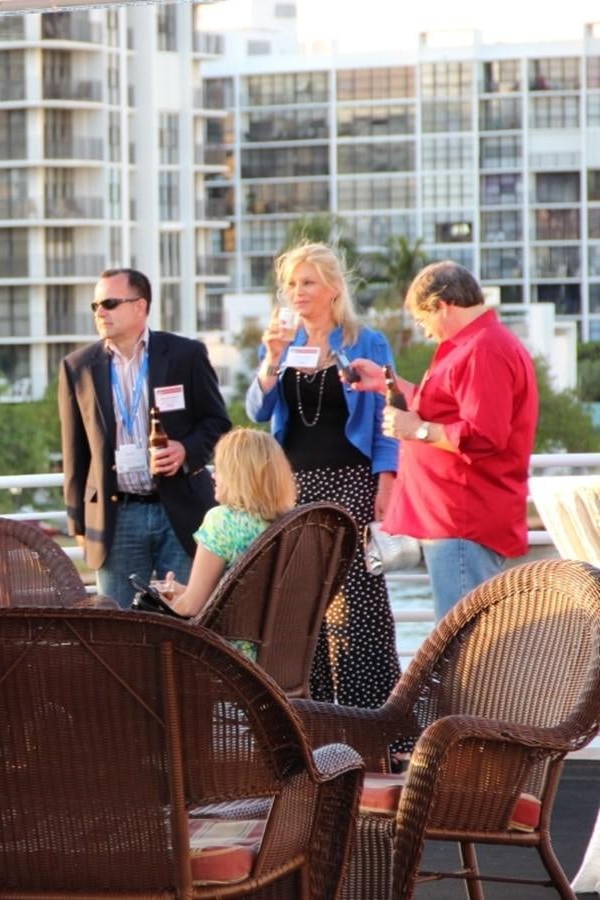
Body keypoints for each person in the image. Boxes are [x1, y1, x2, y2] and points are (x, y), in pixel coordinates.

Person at [245, 242, 401, 708]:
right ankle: (310, 712)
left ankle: (370, 717)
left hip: (350, 481)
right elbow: (258, 411)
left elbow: (386, 414)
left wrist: (387, 477)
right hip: (294, 486)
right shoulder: (281, 343)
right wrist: (270, 359)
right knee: (300, 600)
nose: (298, 292)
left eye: (308, 282)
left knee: (357, 599)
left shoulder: (365, 342)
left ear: (334, 288)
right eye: (291, 284)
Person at [347, 261, 538, 620]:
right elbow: (444, 408)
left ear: (442, 306)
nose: (425, 332)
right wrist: (387, 383)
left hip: (463, 520)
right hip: (455, 519)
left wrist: (416, 430)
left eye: (423, 321)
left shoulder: (483, 349)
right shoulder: (473, 345)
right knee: (461, 642)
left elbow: (483, 434)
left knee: (462, 646)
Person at [58, 267, 231, 608]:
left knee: (187, 622)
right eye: (95, 306)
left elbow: (217, 423)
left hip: (180, 511)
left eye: (109, 302)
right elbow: (74, 452)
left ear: (140, 306)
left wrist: (186, 451)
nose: (100, 312)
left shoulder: (186, 355)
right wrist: (78, 521)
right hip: (115, 518)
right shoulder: (78, 366)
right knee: (119, 628)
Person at [156, 429, 296, 656]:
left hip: (230, 665)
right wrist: (183, 591)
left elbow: (192, 607)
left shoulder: (224, 521)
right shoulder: (293, 522)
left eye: (220, 469)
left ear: (237, 474)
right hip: (283, 661)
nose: (213, 475)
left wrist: (160, 607)